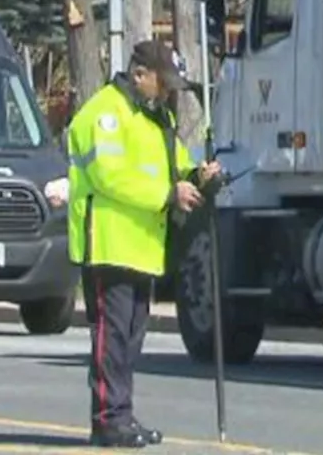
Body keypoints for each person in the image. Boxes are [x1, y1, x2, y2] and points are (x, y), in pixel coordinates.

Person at [64, 39, 221, 449]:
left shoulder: (155, 118)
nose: (167, 91)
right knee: (111, 338)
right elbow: (109, 177)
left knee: (130, 339)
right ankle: (107, 421)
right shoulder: (105, 115)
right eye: (162, 82)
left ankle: (122, 415)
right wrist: (170, 194)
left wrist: (200, 174)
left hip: (143, 247)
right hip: (109, 243)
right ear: (139, 75)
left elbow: (175, 162)